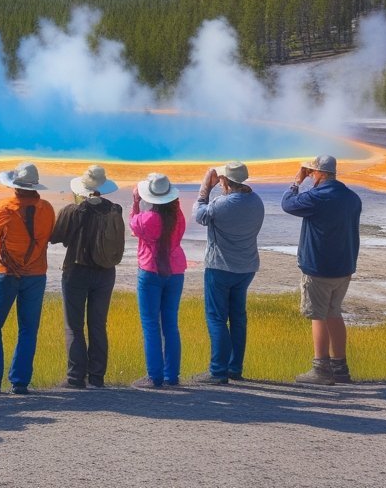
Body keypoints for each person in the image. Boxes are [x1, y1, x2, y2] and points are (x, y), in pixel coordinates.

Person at [0, 162, 54, 396]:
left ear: (15, 187)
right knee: (28, 328)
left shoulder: (2, 208)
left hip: (6, 272)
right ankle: (20, 382)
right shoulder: (47, 209)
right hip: (36, 273)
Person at [282, 155, 362, 385]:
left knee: (317, 315)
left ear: (322, 174)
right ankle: (340, 368)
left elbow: (288, 204)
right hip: (344, 267)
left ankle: (320, 368)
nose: (311, 176)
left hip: (319, 267)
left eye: (313, 172)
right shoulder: (352, 198)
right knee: (333, 313)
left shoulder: (317, 197)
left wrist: (297, 182)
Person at [50, 164, 124, 389]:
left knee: (74, 326)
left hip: (77, 269)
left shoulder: (73, 211)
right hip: (106, 272)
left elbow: (55, 237)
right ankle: (97, 377)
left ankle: (75, 377)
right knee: (98, 325)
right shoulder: (116, 209)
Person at [192, 162, 265, 385]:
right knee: (238, 318)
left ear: (225, 181)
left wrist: (205, 188)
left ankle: (218, 371)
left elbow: (199, 215)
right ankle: (234, 368)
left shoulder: (223, 203)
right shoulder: (256, 201)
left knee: (216, 317)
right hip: (246, 267)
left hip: (220, 267)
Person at [129, 172, 187, 389]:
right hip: (176, 270)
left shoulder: (148, 218)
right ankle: (172, 375)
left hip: (151, 270)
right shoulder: (178, 216)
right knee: (171, 324)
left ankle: (155, 376)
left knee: (151, 324)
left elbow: (133, 224)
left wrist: (136, 202)